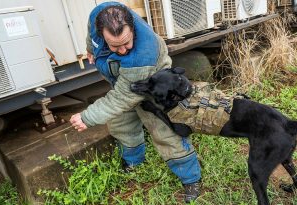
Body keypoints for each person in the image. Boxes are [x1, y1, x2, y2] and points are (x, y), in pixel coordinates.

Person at [69, 2, 201, 202]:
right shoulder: (99, 13)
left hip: (153, 89)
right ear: (102, 32)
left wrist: (87, 117)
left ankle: (191, 178)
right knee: (120, 124)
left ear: (133, 29)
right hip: (123, 83)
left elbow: (121, 98)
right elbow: (91, 34)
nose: (122, 50)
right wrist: (90, 48)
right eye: (114, 45)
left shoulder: (143, 55)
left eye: (127, 43)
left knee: (164, 132)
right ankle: (133, 162)